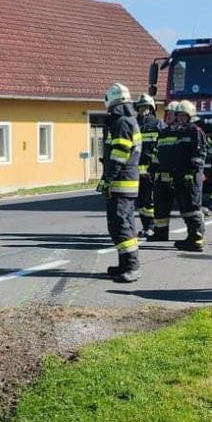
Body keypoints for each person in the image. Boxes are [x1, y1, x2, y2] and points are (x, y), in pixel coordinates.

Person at [98, 83, 143, 282]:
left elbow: (119, 155)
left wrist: (108, 178)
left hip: (122, 182)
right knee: (119, 224)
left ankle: (132, 266)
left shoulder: (122, 123)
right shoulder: (125, 121)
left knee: (122, 224)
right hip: (123, 182)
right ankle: (124, 263)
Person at [172, 101, 208, 251]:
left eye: (182, 116)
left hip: (191, 177)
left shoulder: (196, 131)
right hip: (181, 176)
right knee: (185, 207)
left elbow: (198, 157)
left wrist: (190, 173)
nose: (179, 118)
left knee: (193, 207)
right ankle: (191, 236)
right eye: (178, 116)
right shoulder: (182, 132)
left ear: (189, 116)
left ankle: (197, 238)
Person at [148, 101, 181, 242]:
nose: (168, 116)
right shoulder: (163, 133)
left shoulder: (185, 132)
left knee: (187, 209)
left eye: (171, 113)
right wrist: (152, 170)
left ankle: (194, 235)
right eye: (167, 113)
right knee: (160, 208)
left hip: (178, 178)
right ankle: (160, 233)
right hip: (161, 178)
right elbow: (157, 154)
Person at [134, 94, 164, 237]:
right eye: (140, 107)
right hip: (135, 170)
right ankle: (146, 226)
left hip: (152, 170)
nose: (143, 110)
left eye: (145, 107)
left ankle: (152, 226)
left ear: (151, 109)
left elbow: (164, 146)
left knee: (150, 200)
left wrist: (157, 165)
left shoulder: (158, 124)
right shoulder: (133, 125)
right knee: (140, 201)